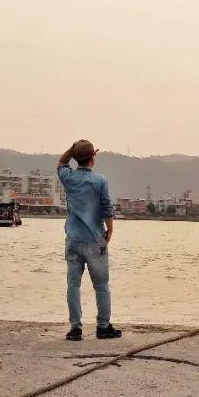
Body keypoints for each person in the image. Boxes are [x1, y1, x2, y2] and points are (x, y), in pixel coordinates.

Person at [57, 139, 121, 341]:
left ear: (77, 159)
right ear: (93, 158)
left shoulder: (69, 177)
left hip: (74, 239)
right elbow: (106, 207)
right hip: (95, 240)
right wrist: (109, 230)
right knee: (101, 286)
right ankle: (103, 327)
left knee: (73, 285)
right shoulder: (100, 181)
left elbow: (61, 163)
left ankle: (75, 329)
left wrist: (73, 147)